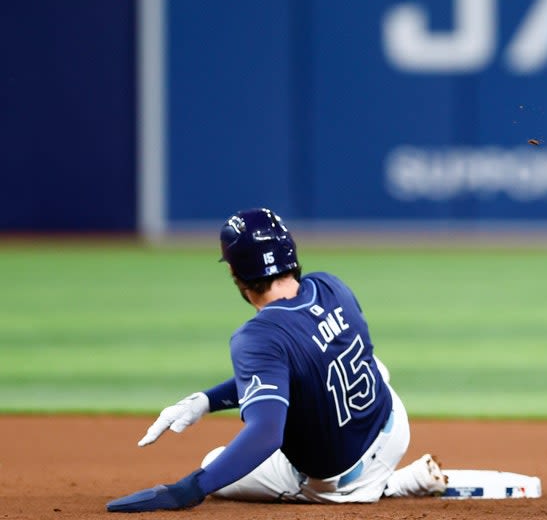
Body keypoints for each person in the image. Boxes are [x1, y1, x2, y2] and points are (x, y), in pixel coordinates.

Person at [106, 208, 447, 512]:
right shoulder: (330, 285)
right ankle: (383, 475)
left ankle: (391, 484)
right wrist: (206, 401)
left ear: (237, 276)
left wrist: (188, 489)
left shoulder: (257, 337)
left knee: (215, 462)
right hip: (393, 425)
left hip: (344, 480)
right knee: (345, 357)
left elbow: (267, 435)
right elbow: (294, 366)